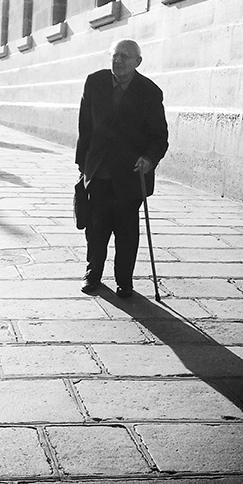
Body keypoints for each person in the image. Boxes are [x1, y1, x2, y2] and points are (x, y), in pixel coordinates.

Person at [75, 39, 168, 298]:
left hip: (130, 175)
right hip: (99, 172)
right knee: (96, 227)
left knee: (126, 231)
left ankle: (124, 281)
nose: (118, 61)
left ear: (138, 62)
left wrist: (149, 160)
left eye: (125, 57)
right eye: (115, 56)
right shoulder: (95, 82)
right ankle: (92, 274)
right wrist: (83, 165)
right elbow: (85, 127)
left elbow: (159, 136)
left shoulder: (149, 92)